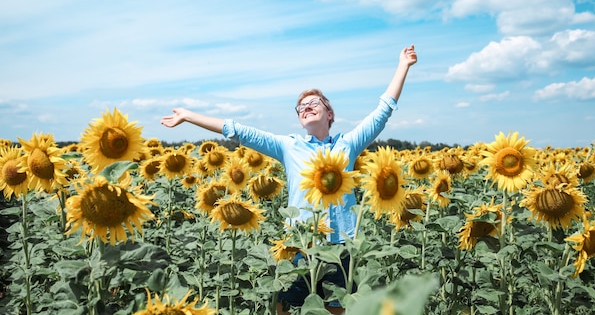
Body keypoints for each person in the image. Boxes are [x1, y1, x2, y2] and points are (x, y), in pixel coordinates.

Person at [160, 45, 418, 314]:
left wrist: (403, 66)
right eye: (300, 107)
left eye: (313, 103)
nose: (306, 108)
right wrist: (189, 116)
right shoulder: (289, 146)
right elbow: (239, 131)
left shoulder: (347, 145)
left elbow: (382, 112)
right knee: (287, 306)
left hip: (340, 245)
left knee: (335, 308)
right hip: (299, 243)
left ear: (329, 114)